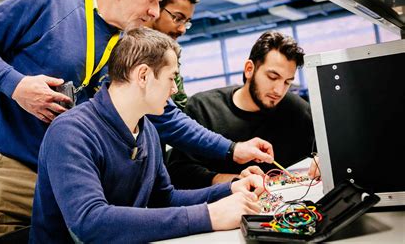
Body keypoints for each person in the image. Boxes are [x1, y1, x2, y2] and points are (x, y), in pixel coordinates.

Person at [0, 0, 273, 243]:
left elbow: (166, 116)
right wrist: (16, 84)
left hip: (74, 169)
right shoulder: (48, 2)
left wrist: (231, 150)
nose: (154, 11)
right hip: (8, 162)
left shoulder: (126, 44)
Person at [30, 28, 264, 243]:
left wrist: (230, 189)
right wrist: (208, 215)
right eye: (171, 78)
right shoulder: (71, 131)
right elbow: (90, 222)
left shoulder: (147, 129)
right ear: (143, 75)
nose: (174, 90)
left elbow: (164, 199)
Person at [168, 31, 317, 189]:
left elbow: (329, 145)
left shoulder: (296, 109)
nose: (279, 91)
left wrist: (324, 159)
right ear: (249, 69)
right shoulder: (203, 107)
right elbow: (179, 172)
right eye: (273, 77)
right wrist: (236, 180)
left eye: (287, 82)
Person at [148, 0, 199, 110]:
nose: (182, 29)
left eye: (186, 22)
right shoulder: (125, 49)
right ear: (156, 8)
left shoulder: (170, 53)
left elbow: (179, 105)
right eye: (177, 18)